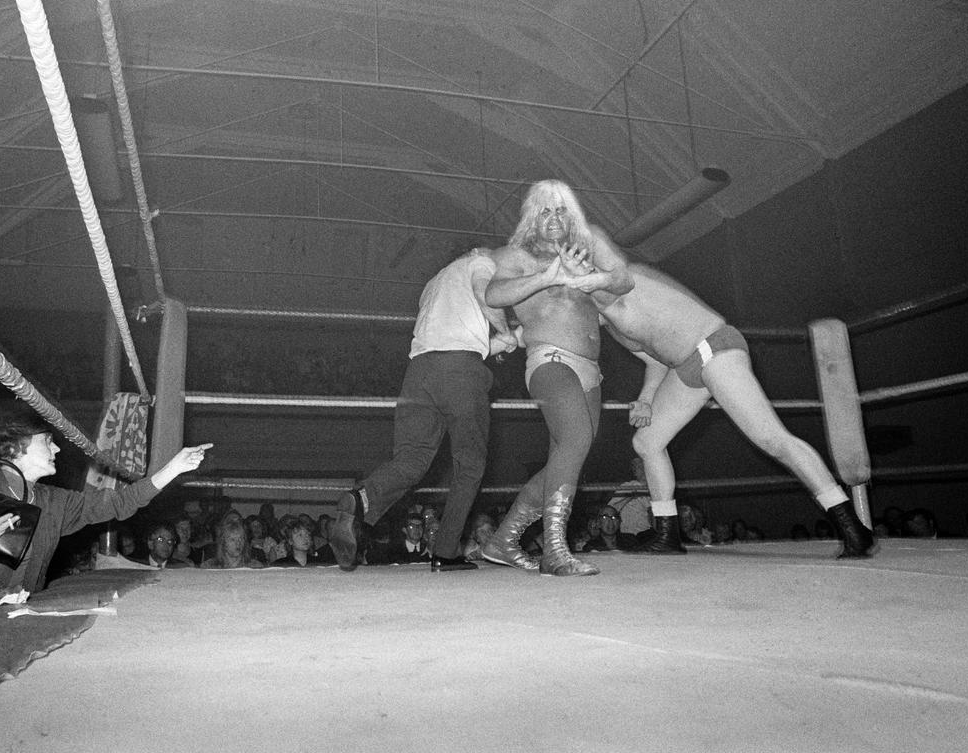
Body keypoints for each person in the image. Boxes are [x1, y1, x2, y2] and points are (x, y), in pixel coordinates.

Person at [590, 256, 876, 559]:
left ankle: (852, 528)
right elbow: (655, 360)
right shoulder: (611, 325)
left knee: (772, 439)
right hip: (685, 367)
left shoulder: (614, 291)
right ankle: (667, 534)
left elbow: (610, 272)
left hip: (713, 347)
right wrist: (646, 399)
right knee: (647, 441)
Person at [0, 410, 211, 641]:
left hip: (8, 627)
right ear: (16, 446)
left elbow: (119, 503)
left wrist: (174, 468)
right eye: (48, 442)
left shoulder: (54, 502)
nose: (57, 450)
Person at [329, 248, 521, 573]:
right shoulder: (480, 262)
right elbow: (485, 297)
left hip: (418, 373)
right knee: (470, 465)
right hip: (459, 371)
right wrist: (505, 330)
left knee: (412, 460)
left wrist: (507, 341)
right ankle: (445, 551)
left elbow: (462, 340)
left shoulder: (434, 283)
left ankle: (360, 498)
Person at [478, 179, 633, 576]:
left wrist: (591, 279)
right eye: (544, 210)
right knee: (577, 440)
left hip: (591, 369)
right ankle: (555, 550)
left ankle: (502, 541)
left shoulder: (590, 240)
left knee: (568, 457)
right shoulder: (517, 255)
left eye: (560, 209)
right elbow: (492, 294)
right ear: (532, 215)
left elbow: (624, 279)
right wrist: (547, 276)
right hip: (549, 361)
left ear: (572, 213)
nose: (553, 218)